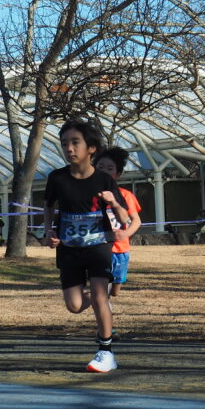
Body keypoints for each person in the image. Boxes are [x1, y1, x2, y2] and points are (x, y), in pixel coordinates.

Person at [42, 121, 130, 373]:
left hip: (99, 246)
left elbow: (124, 218)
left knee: (100, 294)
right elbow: (48, 206)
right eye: (64, 144)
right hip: (69, 249)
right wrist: (49, 231)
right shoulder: (57, 178)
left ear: (91, 148)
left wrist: (114, 202)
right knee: (74, 305)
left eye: (75, 143)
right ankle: (99, 303)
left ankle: (106, 351)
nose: (69, 149)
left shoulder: (104, 180)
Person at [95, 147, 143, 298]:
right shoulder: (89, 194)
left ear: (117, 174)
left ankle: (104, 299)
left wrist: (125, 233)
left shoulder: (125, 195)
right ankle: (101, 303)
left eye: (110, 168)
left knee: (115, 291)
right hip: (98, 249)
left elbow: (136, 221)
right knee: (100, 289)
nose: (104, 171)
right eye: (100, 167)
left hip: (120, 250)